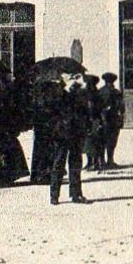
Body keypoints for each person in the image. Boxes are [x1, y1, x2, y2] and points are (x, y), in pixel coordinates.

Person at [50, 69, 92, 205]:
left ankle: (76, 194)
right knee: (58, 163)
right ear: (62, 76)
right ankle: (54, 196)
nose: (72, 77)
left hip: (75, 133)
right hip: (61, 134)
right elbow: (52, 109)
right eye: (69, 75)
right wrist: (66, 90)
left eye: (74, 75)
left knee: (75, 164)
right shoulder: (57, 91)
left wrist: (83, 89)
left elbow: (85, 111)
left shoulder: (79, 92)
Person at [98, 72, 125, 169]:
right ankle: (110, 160)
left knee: (101, 141)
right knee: (111, 141)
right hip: (112, 119)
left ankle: (101, 161)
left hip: (101, 118)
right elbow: (121, 107)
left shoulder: (100, 91)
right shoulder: (116, 92)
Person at [82, 74, 105, 171]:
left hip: (90, 119)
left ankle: (91, 162)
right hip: (96, 119)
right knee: (95, 141)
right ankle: (95, 162)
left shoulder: (86, 94)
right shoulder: (98, 93)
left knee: (90, 141)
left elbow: (90, 108)